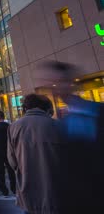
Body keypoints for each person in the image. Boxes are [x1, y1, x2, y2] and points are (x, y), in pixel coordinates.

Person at [37, 61, 104, 213]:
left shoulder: (97, 112)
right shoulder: (62, 123)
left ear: (72, 83)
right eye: (51, 85)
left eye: (59, 82)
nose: (56, 89)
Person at [8, 94, 64, 213]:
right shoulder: (57, 126)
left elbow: (12, 161)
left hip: (27, 190)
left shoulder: (14, 127)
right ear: (47, 108)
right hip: (55, 190)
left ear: (25, 108)